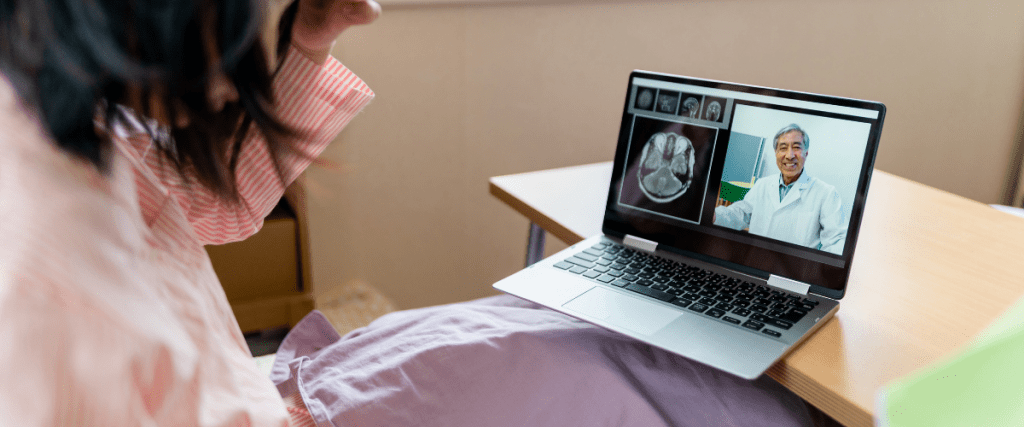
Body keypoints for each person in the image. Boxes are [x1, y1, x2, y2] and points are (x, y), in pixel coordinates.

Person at [0, 1, 816, 425]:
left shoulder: (67, 120)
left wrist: (307, 45)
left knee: (534, 327)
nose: (263, 32)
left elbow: (199, 209)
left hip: (297, 388)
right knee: (612, 372)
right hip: (299, 408)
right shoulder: (37, 276)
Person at [714, 124, 847, 254]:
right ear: (776, 153)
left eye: (796, 147)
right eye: (783, 148)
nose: (789, 155)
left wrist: (816, 270)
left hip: (794, 271)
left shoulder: (826, 193)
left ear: (806, 153)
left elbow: (836, 242)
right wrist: (715, 216)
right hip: (756, 260)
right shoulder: (762, 185)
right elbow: (741, 213)